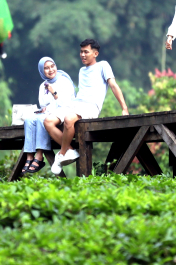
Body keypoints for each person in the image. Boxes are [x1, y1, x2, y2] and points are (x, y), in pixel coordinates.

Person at [44, 39, 129, 174]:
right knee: (48, 122)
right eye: (81, 52)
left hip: (90, 106)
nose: (82, 55)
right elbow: (79, 94)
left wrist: (124, 108)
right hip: (76, 104)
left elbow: (113, 85)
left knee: (68, 119)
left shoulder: (103, 65)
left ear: (95, 53)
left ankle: (60, 155)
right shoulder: (82, 71)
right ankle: (70, 150)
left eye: (86, 52)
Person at [22, 56, 75, 174]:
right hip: (50, 111)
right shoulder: (43, 85)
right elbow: (42, 103)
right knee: (29, 120)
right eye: (46, 68)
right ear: (42, 71)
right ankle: (29, 157)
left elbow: (65, 103)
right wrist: (45, 108)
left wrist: (54, 93)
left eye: (52, 66)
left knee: (42, 119)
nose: (50, 70)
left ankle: (39, 156)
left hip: (65, 110)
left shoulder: (63, 80)